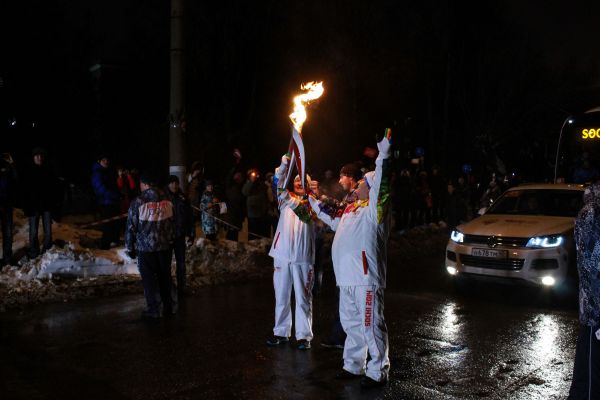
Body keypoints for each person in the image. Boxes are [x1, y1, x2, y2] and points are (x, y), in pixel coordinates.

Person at [309, 132, 393, 388]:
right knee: (351, 324)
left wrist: (384, 154)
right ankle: (353, 365)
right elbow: (327, 215)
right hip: (345, 279)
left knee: (371, 325)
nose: (356, 188)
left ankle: (378, 371)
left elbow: (381, 181)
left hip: (365, 278)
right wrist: (311, 199)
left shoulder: (374, 211)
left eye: (362, 185)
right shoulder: (349, 211)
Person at [266, 155, 316, 350]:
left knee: (303, 298)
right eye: (295, 181)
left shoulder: (313, 203)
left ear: (308, 185)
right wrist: (284, 165)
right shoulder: (284, 200)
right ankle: (281, 332)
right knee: (282, 295)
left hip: (303, 258)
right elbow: (277, 182)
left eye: (302, 181)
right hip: (282, 255)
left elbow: (309, 216)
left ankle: (304, 336)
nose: (298, 183)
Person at [125, 173, 176, 319]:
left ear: (145, 184)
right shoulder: (168, 199)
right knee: (164, 277)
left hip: (146, 248)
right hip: (165, 247)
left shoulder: (139, 202)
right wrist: (171, 240)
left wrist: (130, 247)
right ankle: (168, 307)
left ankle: (154, 309)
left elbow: (131, 226)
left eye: (141, 184)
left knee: (149, 280)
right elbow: (173, 222)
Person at [569, 184, 600, 398]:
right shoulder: (592, 215)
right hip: (594, 312)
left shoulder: (590, 213)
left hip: (592, 308)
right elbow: (591, 266)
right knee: (590, 370)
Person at [22, 147, 60, 258]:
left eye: (41, 156)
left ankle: (47, 251)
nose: (39, 158)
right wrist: (26, 206)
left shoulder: (48, 170)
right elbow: (24, 190)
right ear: (33, 157)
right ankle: (34, 252)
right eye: (37, 156)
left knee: (48, 231)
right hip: (33, 207)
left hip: (46, 206)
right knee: (33, 231)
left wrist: (54, 202)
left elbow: (54, 187)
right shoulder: (28, 171)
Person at [166, 175, 194, 296]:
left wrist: (191, 233)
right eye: (172, 183)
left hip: (179, 235)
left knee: (181, 262)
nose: (174, 185)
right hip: (166, 237)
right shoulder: (163, 198)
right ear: (168, 184)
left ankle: (182, 287)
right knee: (165, 264)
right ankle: (167, 288)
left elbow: (190, 217)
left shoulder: (183, 198)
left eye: (176, 183)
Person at [91, 155, 121, 249]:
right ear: (99, 161)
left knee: (114, 223)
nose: (106, 161)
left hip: (112, 202)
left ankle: (113, 242)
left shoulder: (106, 172)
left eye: (107, 159)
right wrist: (115, 195)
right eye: (103, 160)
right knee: (108, 225)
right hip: (105, 202)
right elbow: (101, 189)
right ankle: (105, 247)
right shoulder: (97, 173)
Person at [0, 152, 18, 267]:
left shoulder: (8, 167)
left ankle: (7, 258)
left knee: (7, 233)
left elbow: (16, 179)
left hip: (7, 204)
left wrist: (12, 164)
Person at [242, 168, 270, 240]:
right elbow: (245, 192)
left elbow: (265, 195)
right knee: (253, 234)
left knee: (262, 234)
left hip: (262, 213)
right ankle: (252, 247)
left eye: (255, 174)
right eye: (252, 175)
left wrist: (265, 208)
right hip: (252, 214)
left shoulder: (261, 184)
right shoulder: (247, 184)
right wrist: (251, 182)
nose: (254, 176)